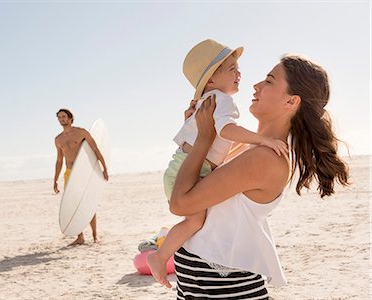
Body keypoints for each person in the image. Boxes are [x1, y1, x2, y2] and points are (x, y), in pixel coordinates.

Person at [167, 55, 350, 299]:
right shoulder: (249, 149)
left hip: (223, 288)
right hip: (205, 284)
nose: (256, 85)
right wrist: (193, 138)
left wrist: (201, 140)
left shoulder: (264, 159)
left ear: (292, 101)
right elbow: (197, 179)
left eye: (269, 81)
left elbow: (180, 203)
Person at [146, 39, 288, 288]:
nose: (241, 74)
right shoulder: (222, 101)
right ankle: (159, 256)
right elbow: (227, 130)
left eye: (237, 67)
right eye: (231, 68)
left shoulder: (212, 101)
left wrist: (200, 136)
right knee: (193, 221)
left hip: (183, 166)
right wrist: (261, 139)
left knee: (193, 220)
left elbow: (217, 142)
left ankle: (160, 256)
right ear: (210, 80)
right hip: (188, 167)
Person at [54, 108, 109, 245]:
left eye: (64, 116)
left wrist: (104, 168)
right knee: (74, 205)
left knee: (87, 203)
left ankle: (95, 236)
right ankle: (80, 237)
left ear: (70, 118)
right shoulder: (58, 139)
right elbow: (59, 160)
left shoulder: (81, 132)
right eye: (59, 117)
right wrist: (55, 180)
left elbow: (96, 150)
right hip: (69, 173)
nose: (62, 119)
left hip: (83, 173)